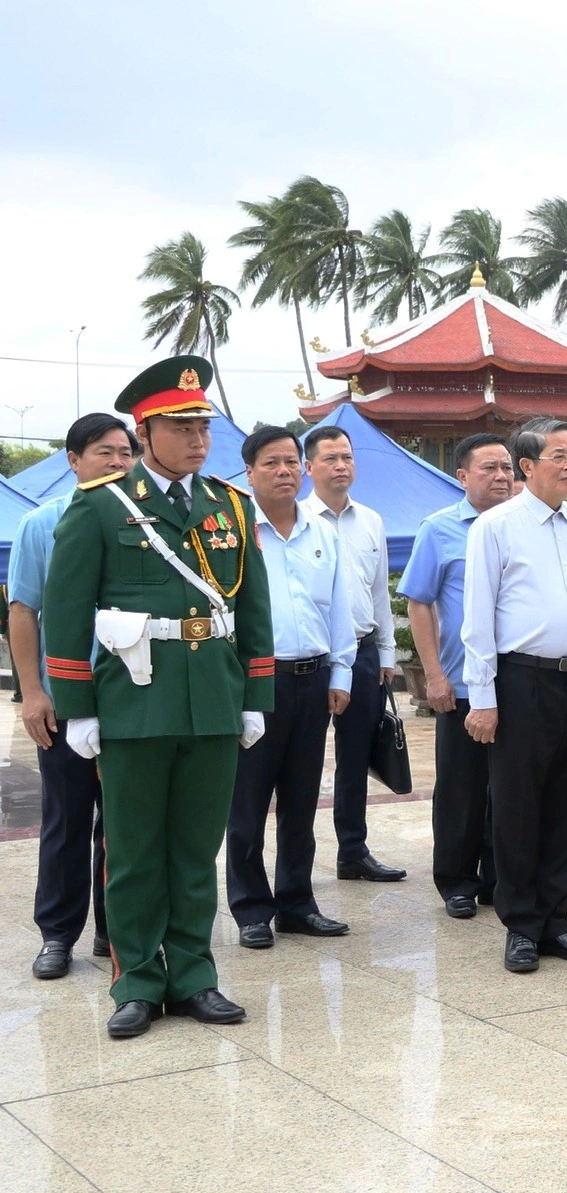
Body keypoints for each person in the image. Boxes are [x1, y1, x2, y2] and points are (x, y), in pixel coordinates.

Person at [42, 356, 273, 1038]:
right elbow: (66, 610)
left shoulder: (230, 505)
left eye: (203, 426)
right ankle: (138, 980)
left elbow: (254, 609)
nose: (199, 439)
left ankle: (195, 975)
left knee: (196, 850)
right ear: (144, 433)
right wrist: (77, 706)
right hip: (135, 701)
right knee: (135, 851)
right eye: (182, 427)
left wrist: (254, 694)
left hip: (212, 700)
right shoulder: (101, 504)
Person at [462, 418, 567, 974]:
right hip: (522, 680)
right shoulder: (496, 527)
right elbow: (478, 617)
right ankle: (522, 925)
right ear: (527, 466)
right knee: (519, 805)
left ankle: (557, 920)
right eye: (560, 456)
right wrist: (483, 697)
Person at [12, 414, 135, 980]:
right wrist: (32, 692)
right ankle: (57, 934)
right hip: (64, 699)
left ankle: (115, 930)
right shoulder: (43, 524)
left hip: (132, 698)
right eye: (104, 452)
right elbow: (23, 610)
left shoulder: (144, 524)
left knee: (125, 821)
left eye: (125, 452)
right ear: (74, 460)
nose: (117, 462)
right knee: (66, 817)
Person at [227, 427, 358, 948]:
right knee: (248, 803)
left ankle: (297, 903)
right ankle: (251, 909)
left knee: (302, 802)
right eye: (271, 463)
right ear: (249, 473)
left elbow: (340, 608)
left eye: (290, 462)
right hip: (257, 683)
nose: (283, 471)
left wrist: (341, 672)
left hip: (313, 679)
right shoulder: (234, 532)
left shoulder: (322, 532)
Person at [399, 432, 514, 919]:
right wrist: (435, 675)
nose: (501, 476)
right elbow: (419, 602)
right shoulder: (440, 529)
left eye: (507, 467)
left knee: (510, 790)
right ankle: (457, 881)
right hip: (464, 683)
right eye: (489, 468)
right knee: (461, 789)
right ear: (462, 476)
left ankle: (500, 879)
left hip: (519, 681)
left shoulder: (522, 525)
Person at [301, 425, 406, 883]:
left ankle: (353, 851)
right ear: (309, 467)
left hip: (362, 652)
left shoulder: (371, 521)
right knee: (301, 759)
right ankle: (295, 862)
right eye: (330, 458)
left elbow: (379, 592)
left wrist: (386, 653)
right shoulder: (296, 520)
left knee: (356, 755)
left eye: (347, 457)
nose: (341, 466)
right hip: (310, 656)